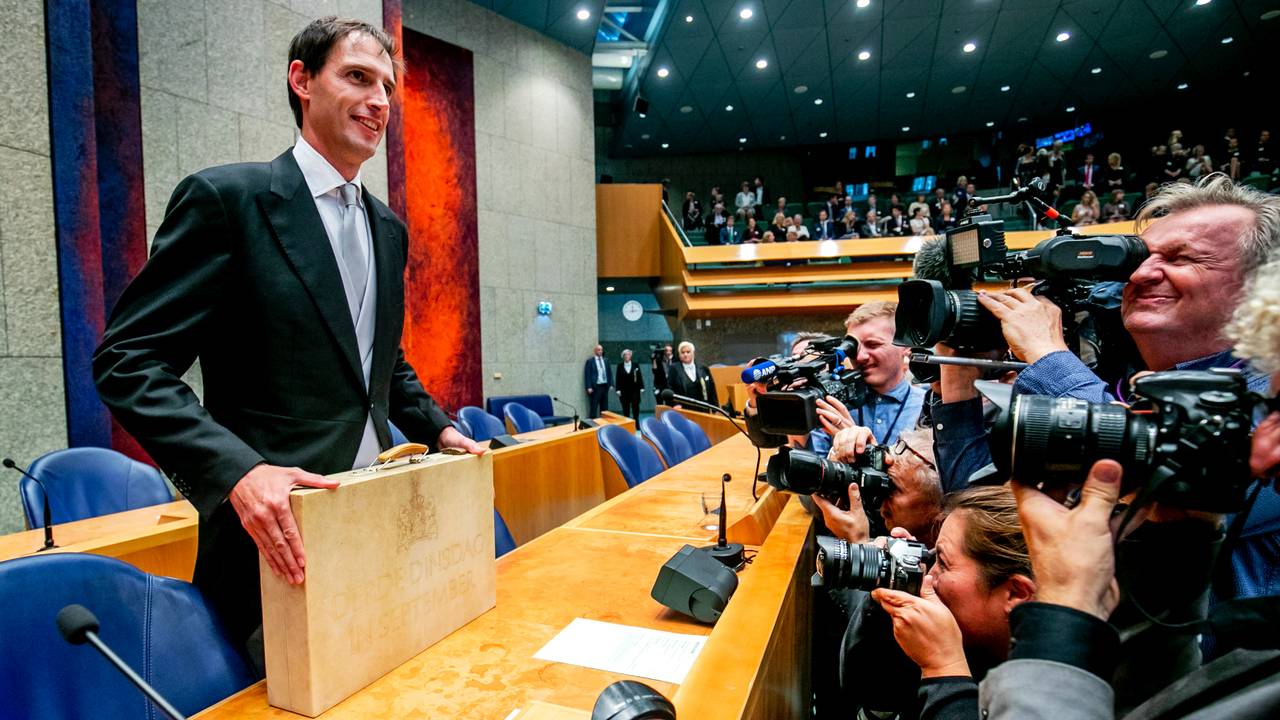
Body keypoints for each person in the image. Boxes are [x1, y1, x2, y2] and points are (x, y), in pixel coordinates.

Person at [91, 17, 485, 665]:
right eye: (358, 76)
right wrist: (237, 472)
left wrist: (441, 431)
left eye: (387, 85)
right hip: (273, 538)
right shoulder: (227, 201)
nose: (379, 99)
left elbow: (377, 363)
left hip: (375, 519)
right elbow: (128, 361)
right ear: (302, 81)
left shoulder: (388, 228)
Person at [952, 173, 1280, 597]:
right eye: (1137, 258)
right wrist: (957, 380)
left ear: (1263, 284)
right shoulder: (1120, 387)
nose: (1141, 274)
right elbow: (974, 504)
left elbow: (1168, 491)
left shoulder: (1269, 409)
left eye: (1182, 259)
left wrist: (1048, 356)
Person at [666, 341, 718, 408]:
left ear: (693, 353)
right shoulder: (674, 369)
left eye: (688, 352)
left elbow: (712, 389)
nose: (685, 354)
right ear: (679, 355)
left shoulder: (703, 368)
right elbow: (670, 388)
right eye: (682, 352)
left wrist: (715, 408)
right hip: (683, 409)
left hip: (702, 409)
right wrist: (675, 404)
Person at [583, 343, 613, 418]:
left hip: (605, 386)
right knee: (594, 407)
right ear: (595, 351)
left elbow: (609, 373)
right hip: (595, 387)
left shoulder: (606, 360)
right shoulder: (590, 361)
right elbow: (587, 375)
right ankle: (593, 426)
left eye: (601, 350)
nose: (600, 351)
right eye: (599, 350)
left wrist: (611, 384)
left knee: (605, 408)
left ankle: (604, 425)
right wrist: (588, 387)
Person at [614, 349, 643, 420]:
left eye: (628, 354)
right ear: (623, 356)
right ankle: (627, 422)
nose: (627, 356)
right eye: (625, 355)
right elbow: (618, 378)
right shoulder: (620, 366)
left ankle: (636, 422)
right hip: (624, 390)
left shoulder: (636, 365)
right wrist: (618, 389)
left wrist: (642, 387)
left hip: (635, 389)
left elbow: (639, 376)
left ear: (631, 356)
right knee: (625, 407)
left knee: (635, 406)